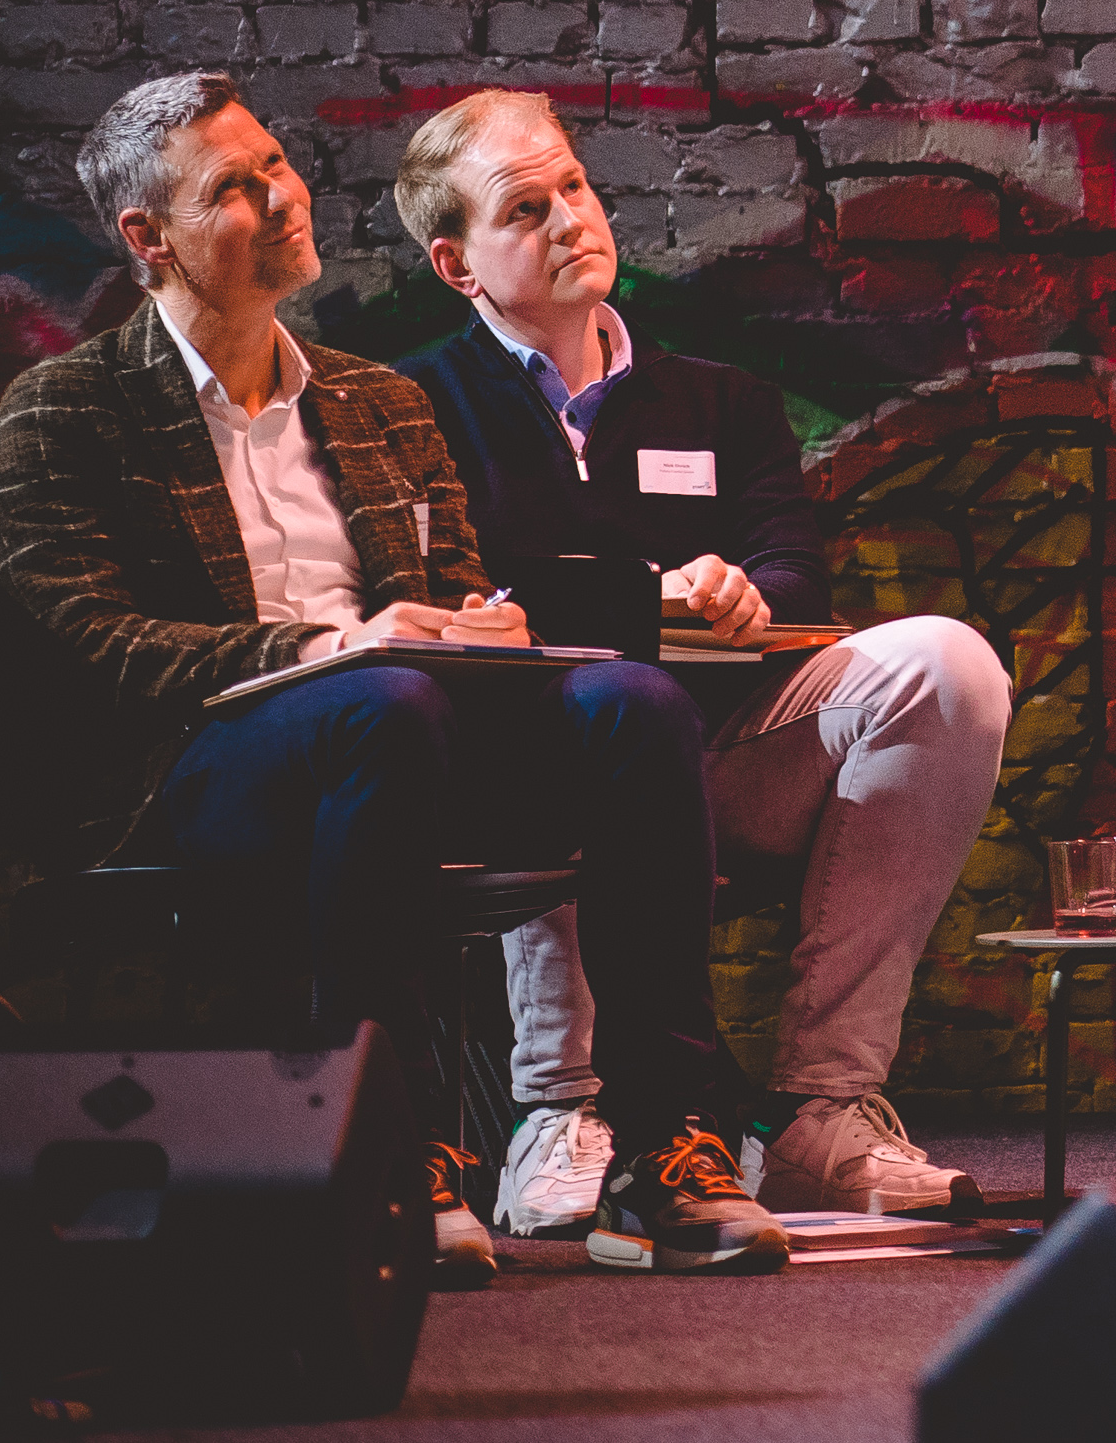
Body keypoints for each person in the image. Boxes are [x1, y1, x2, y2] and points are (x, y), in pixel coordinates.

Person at [0, 74, 784, 1280]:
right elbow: (96, 643)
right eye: (233, 187)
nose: (281, 197)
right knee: (383, 703)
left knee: (634, 700)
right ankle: (401, 1152)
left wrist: (487, 631)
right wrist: (333, 648)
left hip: (407, 732)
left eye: (276, 165)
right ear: (150, 237)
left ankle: (667, 1146)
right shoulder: (63, 409)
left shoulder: (380, 401)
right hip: (191, 769)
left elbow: (452, 591)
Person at [393, 90, 1011, 1231]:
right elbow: (453, 594)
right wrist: (638, 598)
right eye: (524, 209)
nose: (570, 217)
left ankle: (823, 1109)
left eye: (573, 185)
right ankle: (561, 1108)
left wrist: (744, 592)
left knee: (947, 662)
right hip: (529, 764)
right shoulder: (414, 403)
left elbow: (797, 574)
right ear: (456, 263)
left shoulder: (718, 397)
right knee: (595, 701)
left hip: (725, 748)